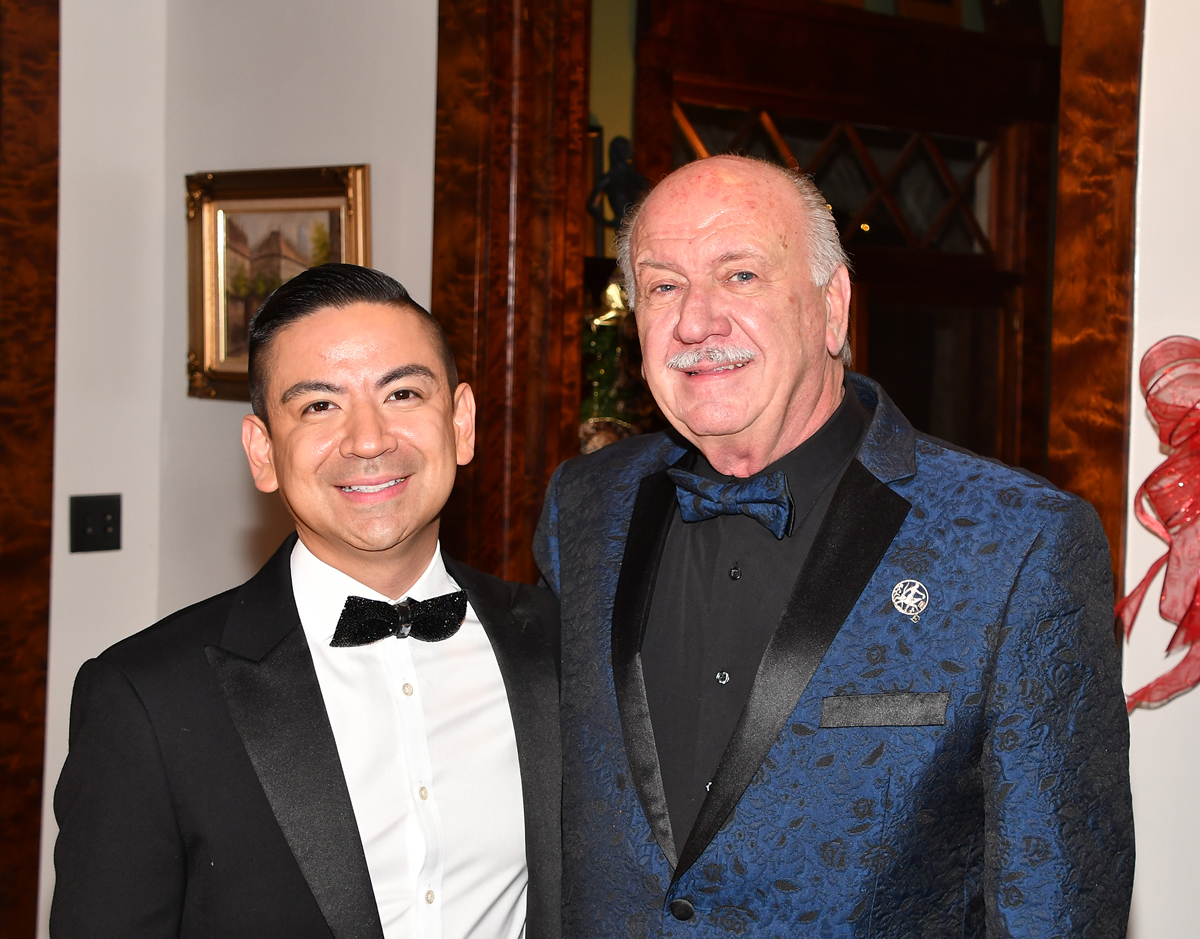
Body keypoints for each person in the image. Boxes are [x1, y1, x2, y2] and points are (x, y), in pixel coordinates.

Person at [534, 156, 1134, 937]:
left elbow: (1055, 906)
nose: (695, 321)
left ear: (832, 305)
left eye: (741, 275)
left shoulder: (1017, 542)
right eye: (664, 285)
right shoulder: (584, 506)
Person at [52, 264, 560, 939]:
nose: (370, 440)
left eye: (403, 393)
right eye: (319, 405)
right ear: (263, 451)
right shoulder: (147, 698)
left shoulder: (558, 646)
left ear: (460, 423)